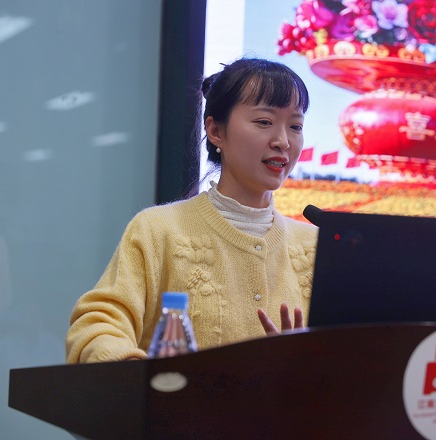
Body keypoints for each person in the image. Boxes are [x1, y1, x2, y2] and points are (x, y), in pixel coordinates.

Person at [66, 58, 317, 363]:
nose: (283, 141)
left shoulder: (315, 245)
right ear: (215, 131)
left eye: (295, 126)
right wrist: (138, 375)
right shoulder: (157, 230)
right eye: (264, 122)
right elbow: (96, 326)